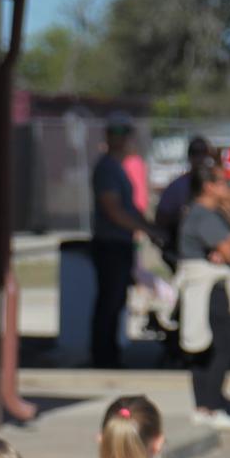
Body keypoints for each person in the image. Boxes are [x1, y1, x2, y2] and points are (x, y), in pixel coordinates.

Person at [177, 159, 230, 427]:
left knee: (208, 347)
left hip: (209, 287)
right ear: (207, 186)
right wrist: (228, 246)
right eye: (221, 182)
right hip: (208, 289)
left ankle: (207, 402)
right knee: (221, 347)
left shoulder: (213, 214)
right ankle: (210, 406)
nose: (226, 187)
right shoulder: (203, 215)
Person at [90, 115, 163, 369]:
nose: (121, 139)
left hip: (122, 243)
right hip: (110, 243)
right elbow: (114, 210)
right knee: (109, 301)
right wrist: (145, 229)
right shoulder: (107, 168)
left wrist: (150, 226)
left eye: (125, 133)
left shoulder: (120, 168)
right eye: (116, 133)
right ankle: (103, 357)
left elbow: (131, 209)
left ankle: (110, 352)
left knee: (118, 300)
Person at [155, 135, 211, 271]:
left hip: (209, 243)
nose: (200, 158)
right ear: (189, 156)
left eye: (204, 153)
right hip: (183, 246)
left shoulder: (214, 185)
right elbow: (161, 218)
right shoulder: (177, 186)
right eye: (195, 153)